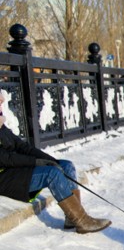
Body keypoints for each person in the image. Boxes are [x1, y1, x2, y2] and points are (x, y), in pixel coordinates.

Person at [0, 96, 111, 233]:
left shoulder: (1, 127)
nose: (1, 102)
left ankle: (72, 218)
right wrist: (38, 162)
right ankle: (82, 221)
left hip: (15, 170)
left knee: (66, 165)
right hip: (4, 178)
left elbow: (23, 147)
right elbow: (6, 158)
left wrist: (51, 160)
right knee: (51, 174)